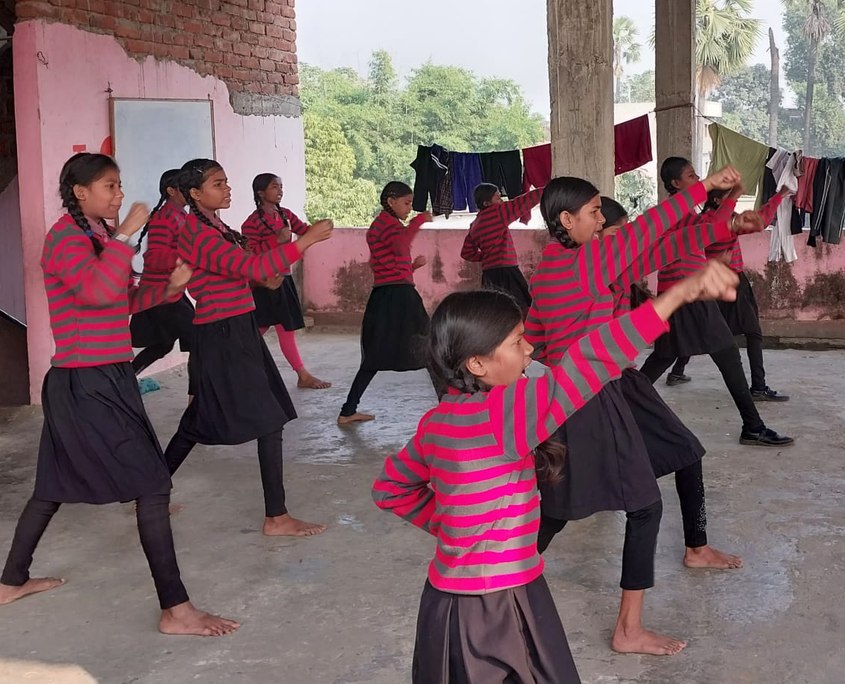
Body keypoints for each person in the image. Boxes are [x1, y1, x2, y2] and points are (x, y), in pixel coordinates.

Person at [373, 261, 740, 682]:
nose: (530, 349)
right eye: (517, 341)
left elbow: (389, 489)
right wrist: (676, 296)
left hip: (444, 604)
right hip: (500, 604)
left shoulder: (435, 423)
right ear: (477, 363)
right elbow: (591, 360)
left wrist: (453, 526)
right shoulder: (508, 410)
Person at [0, 153, 239, 637]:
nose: (119, 195)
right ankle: (175, 609)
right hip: (85, 382)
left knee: (51, 486)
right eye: (109, 186)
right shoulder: (66, 239)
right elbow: (93, 290)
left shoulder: (97, 236)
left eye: (119, 185)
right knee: (152, 486)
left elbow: (119, 300)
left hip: (102, 377)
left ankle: (10, 582)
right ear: (80, 191)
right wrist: (127, 236)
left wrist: (166, 291)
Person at [526, 166, 747, 657]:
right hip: (592, 392)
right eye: (593, 212)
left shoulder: (555, 271)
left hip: (604, 383)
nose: (601, 220)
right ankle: (626, 629)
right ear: (567, 219)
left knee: (682, 453)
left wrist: (727, 225)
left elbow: (664, 247)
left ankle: (696, 547)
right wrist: (705, 188)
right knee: (635, 506)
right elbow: (654, 225)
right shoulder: (587, 261)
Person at [163, 158, 333, 537]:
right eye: (218, 184)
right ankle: (276, 517)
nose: (227, 189)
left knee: (198, 422)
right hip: (222, 332)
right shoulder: (196, 233)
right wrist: (304, 241)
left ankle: (149, 492)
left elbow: (242, 270)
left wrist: (259, 280)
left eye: (226, 182)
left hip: (237, 326)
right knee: (268, 420)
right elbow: (247, 266)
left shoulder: (217, 226)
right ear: (195, 193)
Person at [638, 159, 794, 447]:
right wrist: (734, 196)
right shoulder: (675, 211)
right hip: (689, 294)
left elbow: (710, 228)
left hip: (680, 293)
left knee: (663, 357)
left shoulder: (683, 211)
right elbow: (711, 227)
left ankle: (618, 406)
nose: (698, 179)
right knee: (728, 355)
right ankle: (753, 426)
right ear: (675, 184)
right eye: (691, 175)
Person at [338, 182, 433, 425]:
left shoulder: (385, 225)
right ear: (391, 201)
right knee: (431, 346)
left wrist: (412, 267)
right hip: (398, 296)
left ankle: (348, 410)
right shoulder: (386, 225)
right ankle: (450, 407)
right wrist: (418, 221)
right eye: (406, 203)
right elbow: (401, 246)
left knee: (374, 355)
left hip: (387, 294)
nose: (409, 208)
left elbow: (385, 265)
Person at [242, 173, 331, 390]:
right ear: (261, 192)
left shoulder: (286, 215)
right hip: (264, 281)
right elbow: (250, 255)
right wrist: (277, 240)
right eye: (274, 187)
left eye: (281, 186)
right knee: (257, 329)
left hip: (283, 279)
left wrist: (319, 229)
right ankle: (237, 365)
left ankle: (302, 374)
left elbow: (305, 232)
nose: (280, 191)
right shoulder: (251, 223)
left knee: (284, 329)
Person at [130, 169, 197, 394]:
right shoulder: (164, 217)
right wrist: (182, 258)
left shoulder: (183, 215)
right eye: (184, 187)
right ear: (171, 190)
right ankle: (197, 398)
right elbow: (153, 257)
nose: (190, 191)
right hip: (161, 294)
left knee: (163, 345)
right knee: (200, 342)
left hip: (173, 292)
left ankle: (125, 381)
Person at [460, 183, 543, 314]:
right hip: (507, 270)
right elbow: (522, 202)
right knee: (519, 307)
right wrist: (545, 190)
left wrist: (485, 256)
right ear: (487, 203)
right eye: (498, 198)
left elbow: (466, 253)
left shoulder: (475, 225)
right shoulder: (498, 212)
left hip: (489, 273)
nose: (502, 201)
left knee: (497, 310)